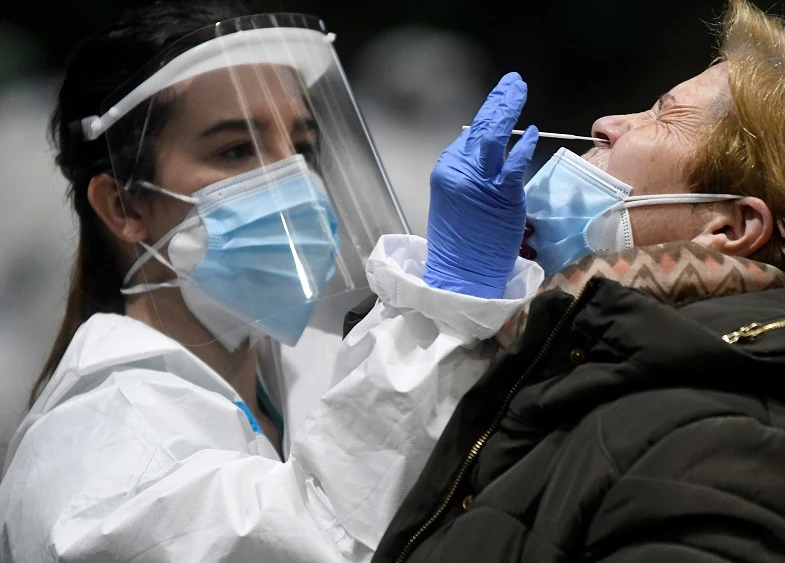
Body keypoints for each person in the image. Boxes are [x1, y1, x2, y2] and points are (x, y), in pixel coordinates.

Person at [353, 1, 785, 562]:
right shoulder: (603, 371)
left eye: (663, 114)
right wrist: (465, 299)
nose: (606, 123)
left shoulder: (740, 453)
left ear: (729, 228)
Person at [0, 2, 544, 562]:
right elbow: (307, 537)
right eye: (235, 150)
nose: (296, 180)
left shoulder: (310, 370)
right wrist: (449, 303)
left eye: (302, 146)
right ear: (122, 205)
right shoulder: (102, 448)